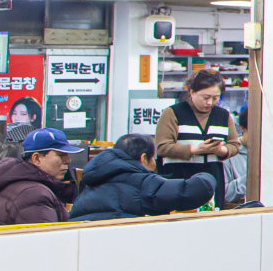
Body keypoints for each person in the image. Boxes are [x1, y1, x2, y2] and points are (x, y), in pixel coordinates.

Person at [71, 134, 218, 221]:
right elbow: (197, 189)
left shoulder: (90, 184)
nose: (154, 165)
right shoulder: (142, 182)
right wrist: (208, 176)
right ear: (143, 159)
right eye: (153, 159)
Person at [155, 70, 238, 210]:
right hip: (179, 179)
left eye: (215, 98)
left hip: (212, 179)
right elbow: (162, 147)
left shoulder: (223, 116)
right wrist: (194, 150)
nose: (210, 102)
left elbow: (234, 144)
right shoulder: (173, 113)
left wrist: (221, 150)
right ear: (192, 92)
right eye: (206, 97)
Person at [0, 128, 76, 225]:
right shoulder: (35, 195)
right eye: (61, 155)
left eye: (67, 155)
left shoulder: (13, 183)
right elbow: (44, 234)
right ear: (36, 159)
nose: (67, 161)